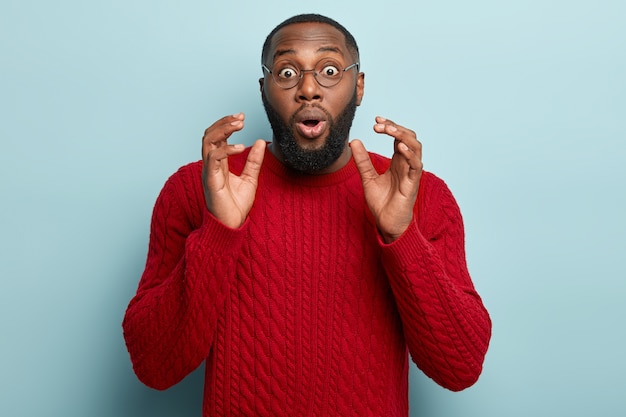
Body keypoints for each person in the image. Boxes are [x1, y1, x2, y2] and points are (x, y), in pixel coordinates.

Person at [123, 13, 491, 417]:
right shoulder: (199, 189)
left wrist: (401, 235)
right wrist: (219, 232)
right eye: (287, 72)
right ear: (264, 90)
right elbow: (154, 367)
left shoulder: (421, 195)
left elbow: (461, 367)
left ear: (359, 86)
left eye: (330, 70)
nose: (309, 89)